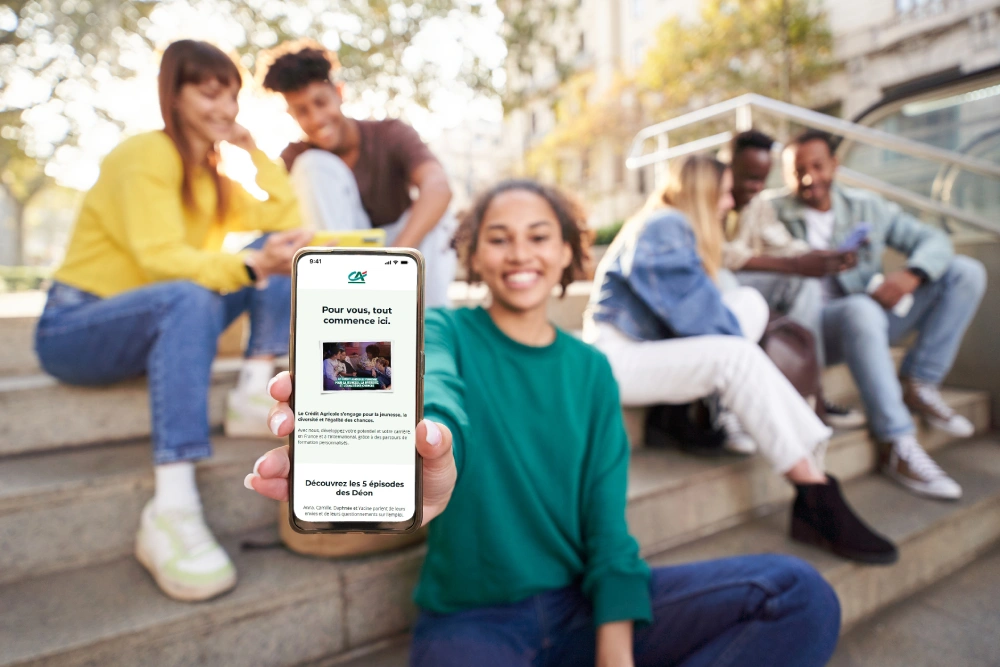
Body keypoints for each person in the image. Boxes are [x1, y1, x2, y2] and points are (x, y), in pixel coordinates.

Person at [245, 179, 843, 667]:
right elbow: (437, 391)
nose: (520, 254)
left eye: (538, 236)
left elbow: (607, 525)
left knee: (799, 594)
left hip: (580, 605)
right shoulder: (444, 330)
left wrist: (615, 650)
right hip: (473, 622)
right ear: (474, 253)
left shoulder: (592, 371)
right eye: (498, 239)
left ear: (565, 251)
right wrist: (433, 441)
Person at [33, 40, 313, 602]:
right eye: (209, 93)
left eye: (232, 96)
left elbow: (285, 218)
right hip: (77, 325)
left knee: (280, 249)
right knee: (195, 292)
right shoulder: (144, 155)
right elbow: (156, 256)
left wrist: (253, 149)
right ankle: (173, 506)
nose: (224, 108)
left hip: (165, 319)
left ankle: (253, 389)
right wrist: (250, 263)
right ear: (174, 94)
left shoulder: (210, 179)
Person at [584, 155, 898, 565]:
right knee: (737, 353)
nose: (730, 202)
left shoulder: (672, 227)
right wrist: (753, 368)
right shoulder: (665, 225)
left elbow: (699, 316)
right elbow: (701, 320)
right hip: (616, 359)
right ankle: (814, 492)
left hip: (641, 350)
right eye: (725, 192)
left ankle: (800, 474)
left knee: (747, 307)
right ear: (703, 191)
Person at [773, 130, 987, 500]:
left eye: (818, 165)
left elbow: (935, 241)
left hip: (870, 319)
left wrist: (911, 274)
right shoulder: (772, 212)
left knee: (965, 272)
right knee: (861, 309)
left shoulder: (866, 206)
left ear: (835, 165)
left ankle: (920, 380)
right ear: (785, 174)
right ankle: (896, 442)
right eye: (798, 170)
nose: (810, 178)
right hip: (814, 330)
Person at [258, 40, 457, 307]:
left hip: (401, 248)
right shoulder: (297, 158)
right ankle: (349, 305)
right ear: (291, 115)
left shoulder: (390, 134)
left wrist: (393, 261)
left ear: (339, 92)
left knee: (437, 215)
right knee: (313, 165)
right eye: (302, 111)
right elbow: (269, 220)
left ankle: (428, 328)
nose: (316, 119)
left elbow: (438, 187)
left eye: (321, 102)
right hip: (343, 265)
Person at [723, 129, 866, 429]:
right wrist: (795, 264)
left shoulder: (758, 204)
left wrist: (822, 257)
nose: (755, 186)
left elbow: (783, 244)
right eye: (749, 177)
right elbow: (718, 255)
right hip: (715, 289)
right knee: (790, 275)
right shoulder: (707, 193)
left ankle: (811, 392)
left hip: (744, 289)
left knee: (805, 279)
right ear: (729, 165)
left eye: (762, 179)